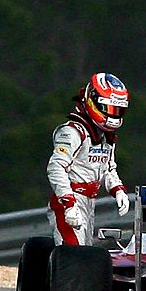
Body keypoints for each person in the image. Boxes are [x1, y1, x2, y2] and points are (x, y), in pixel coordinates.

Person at [46, 72, 131, 246]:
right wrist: (68, 203)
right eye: (109, 109)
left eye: (118, 110)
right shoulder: (72, 132)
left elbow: (108, 168)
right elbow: (56, 168)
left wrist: (118, 190)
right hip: (69, 200)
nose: (114, 115)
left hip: (90, 201)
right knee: (73, 255)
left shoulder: (107, 136)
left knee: (85, 252)